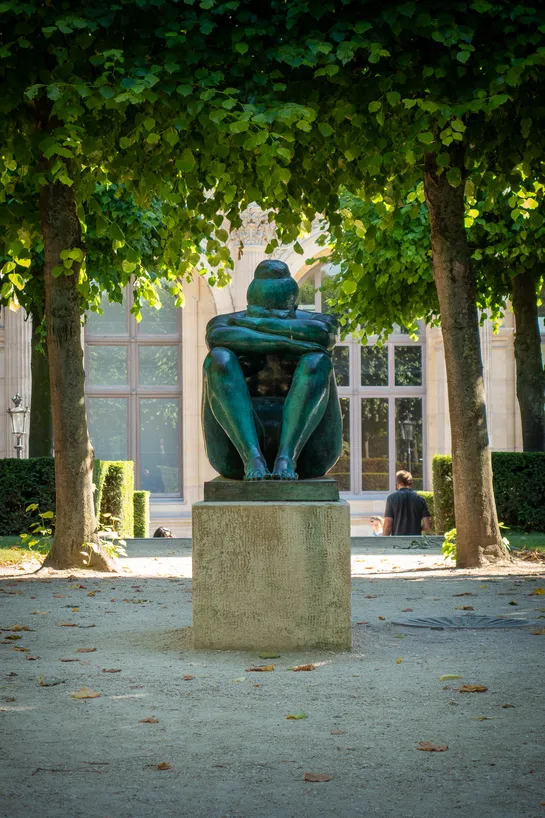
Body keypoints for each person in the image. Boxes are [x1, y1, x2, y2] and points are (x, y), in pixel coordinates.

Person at [202, 260, 342, 481]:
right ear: (249, 307)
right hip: (234, 453)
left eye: (277, 314)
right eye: (259, 314)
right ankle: (252, 457)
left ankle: (287, 457)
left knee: (317, 361)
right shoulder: (224, 324)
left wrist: (256, 324)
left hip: (310, 451)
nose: (267, 317)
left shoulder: (318, 322)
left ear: (294, 308)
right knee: (219, 359)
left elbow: (323, 335)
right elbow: (215, 337)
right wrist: (289, 343)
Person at [382, 470, 431, 536]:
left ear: (398, 484)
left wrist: (383, 542)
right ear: (411, 483)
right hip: (415, 542)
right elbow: (427, 526)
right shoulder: (420, 499)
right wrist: (417, 529)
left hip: (398, 542)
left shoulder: (391, 498)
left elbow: (388, 525)